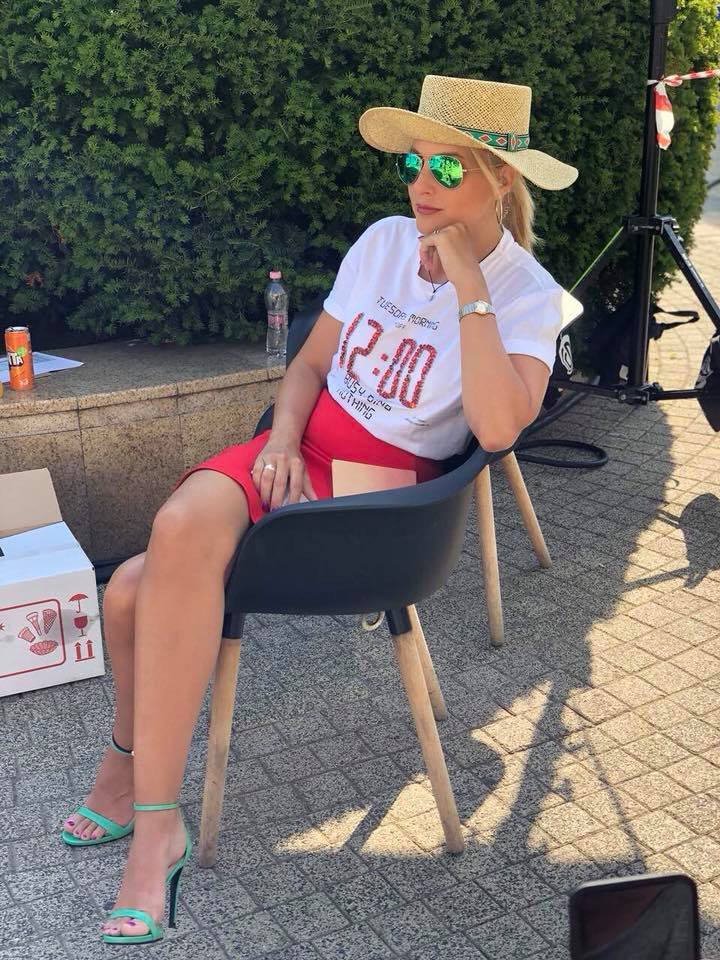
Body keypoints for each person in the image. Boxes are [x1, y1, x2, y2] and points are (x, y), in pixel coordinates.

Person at [59, 74, 579, 944]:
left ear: (500, 180)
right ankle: (148, 808)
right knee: (146, 567)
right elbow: (306, 367)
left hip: (381, 501)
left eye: (447, 168)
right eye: (413, 163)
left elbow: (496, 429)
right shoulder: (382, 242)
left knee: (140, 591)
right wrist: (280, 441)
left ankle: (140, 811)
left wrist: (467, 280)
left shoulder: (529, 294)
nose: (421, 184)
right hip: (301, 453)